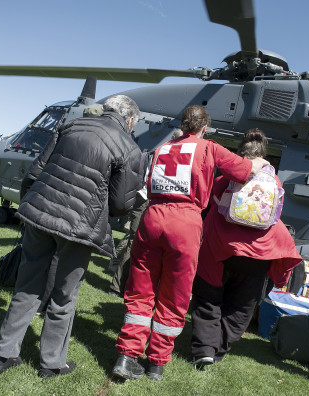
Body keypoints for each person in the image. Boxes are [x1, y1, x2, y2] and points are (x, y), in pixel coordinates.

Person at [0, 95, 143, 378]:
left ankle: (4, 354)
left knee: (27, 285)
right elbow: (122, 204)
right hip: (79, 226)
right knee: (64, 296)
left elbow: (36, 170)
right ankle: (51, 363)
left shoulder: (70, 126)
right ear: (130, 119)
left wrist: (30, 205)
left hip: (40, 213)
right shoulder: (130, 148)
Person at [112, 106, 267, 382]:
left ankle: (127, 356)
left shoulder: (161, 149)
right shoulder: (209, 148)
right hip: (184, 223)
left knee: (140, 289)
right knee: (174, 296)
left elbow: (148, 184)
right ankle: (156, 364)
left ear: (183, 125)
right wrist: (260, 163)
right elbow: (243, 171)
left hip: (152, 217)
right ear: (204, 128)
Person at [190, 128, 302, 369]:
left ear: (240, 153)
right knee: (242, 305)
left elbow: (207, 199)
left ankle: (204, 349)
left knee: (208, 297)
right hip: (259, 253)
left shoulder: (228, 176)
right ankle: (219, 346)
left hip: (221, 248)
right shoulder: (274, 180)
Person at [108, 129, 184, 297]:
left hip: (150, 200)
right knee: (134, 242)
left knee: (135, 241)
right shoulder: (164, 152)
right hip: (145, 199)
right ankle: (118, 286)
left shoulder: (162, 151)